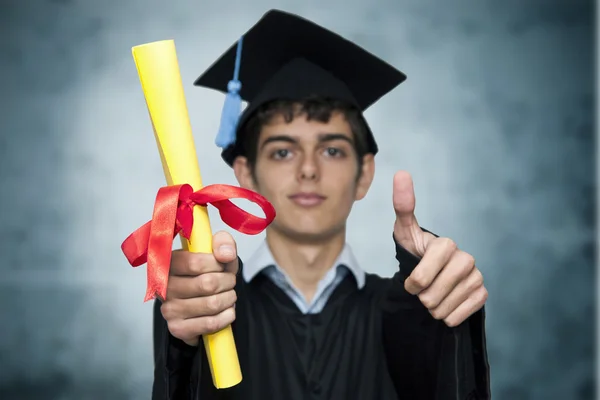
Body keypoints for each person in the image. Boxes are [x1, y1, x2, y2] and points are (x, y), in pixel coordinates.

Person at [151, 9, 490, 400]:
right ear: (245, 175)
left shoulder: (403, 311)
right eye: (282, 152)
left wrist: (443, 299)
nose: (308, 169)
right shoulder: (212, 306)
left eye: (331, 149)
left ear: (364, 174)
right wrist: (181, 339)